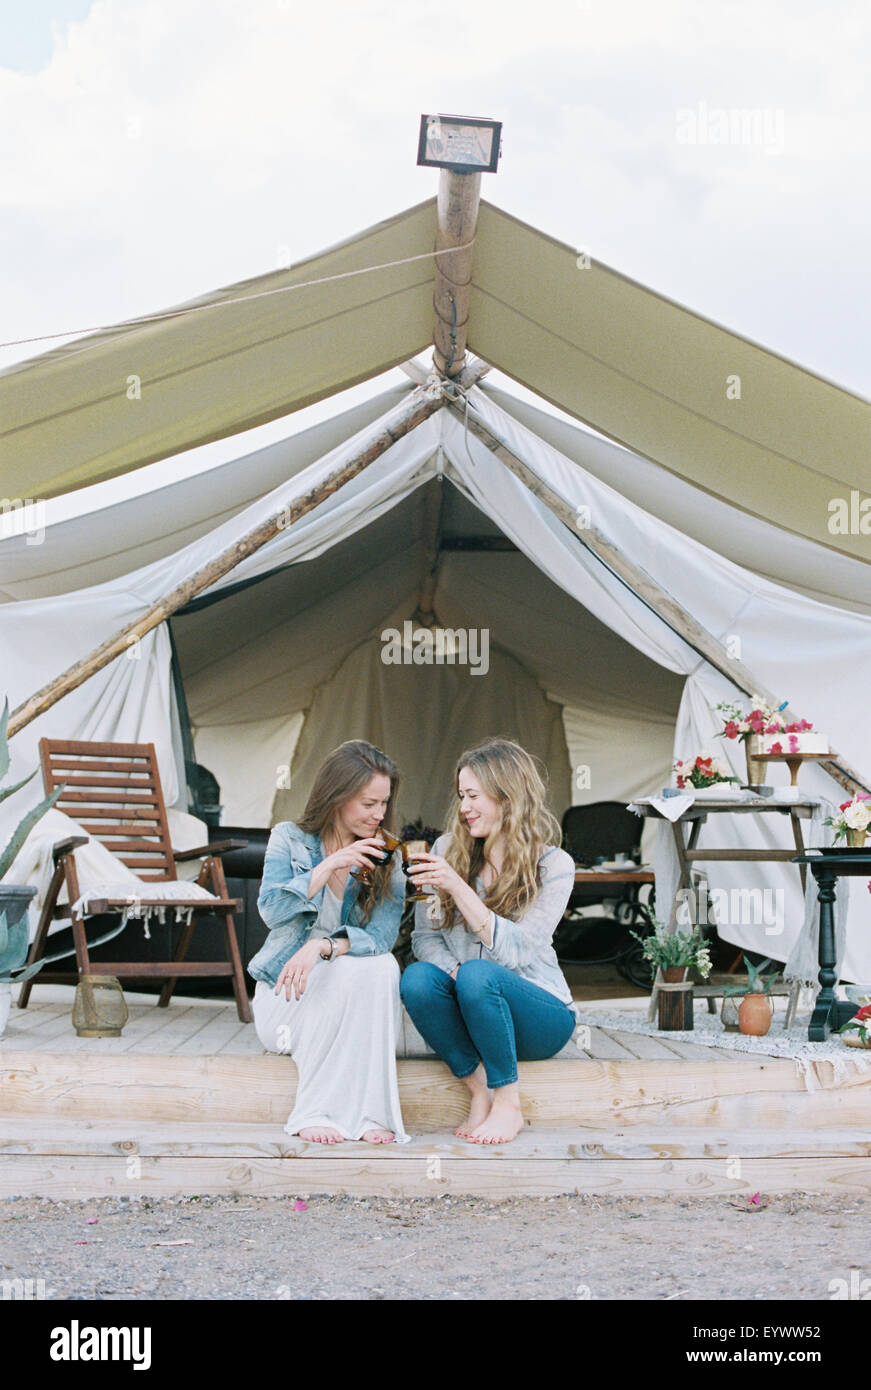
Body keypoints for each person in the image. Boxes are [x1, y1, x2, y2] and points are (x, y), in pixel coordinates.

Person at [400, 738, 577, 1145]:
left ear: (507, 796)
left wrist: (460, 889)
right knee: (417, 979)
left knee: (482, 975)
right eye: (462, 796)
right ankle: (479, 1091)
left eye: (474, 796)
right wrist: (456, 974)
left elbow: (515, 953)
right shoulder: (446, 849)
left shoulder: (553, 865)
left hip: (539, 1017)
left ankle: (508, 1104)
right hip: (473, 1010)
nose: (464, 807)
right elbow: (424, 940)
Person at [249, 740, 409, 1144]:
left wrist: (324, 947)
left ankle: (373, 1112)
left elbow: (382, 939)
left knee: (379, 967)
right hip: (287, 992)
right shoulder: (289, 839)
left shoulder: (389, 856)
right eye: (368, 804)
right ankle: (315, 1109)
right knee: (349, 978)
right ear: (337, 798)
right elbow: (271, 911)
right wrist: (329, 866)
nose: (379, 815)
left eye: (384, 804)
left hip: (348, 989)